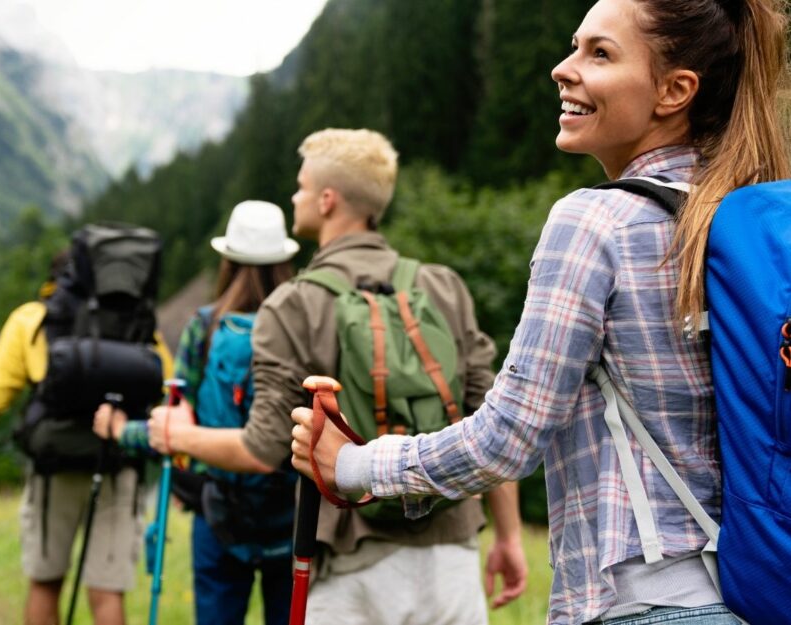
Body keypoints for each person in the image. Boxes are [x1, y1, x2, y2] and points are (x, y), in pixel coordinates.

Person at [290, 1, 791, 624]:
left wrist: (353, 464)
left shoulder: (595, 221)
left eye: (599, 54)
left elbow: (508, 438)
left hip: (643, 605)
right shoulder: (744, 226)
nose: (563, 68)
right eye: (574, 46)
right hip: (745, 598)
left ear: (674, 91)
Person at [148, 128, 528, 625]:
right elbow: (491, 424)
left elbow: (262, 449)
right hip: (450, 554)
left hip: (350, 564)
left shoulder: (292, 304)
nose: (295, 197)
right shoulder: (443, 286)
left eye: (301, 187)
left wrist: (177, 434)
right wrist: (508, 536)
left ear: (327, 200)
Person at [93, 200, 300, 625]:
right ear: (284, 261)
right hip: (291, 516)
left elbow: (170, 428)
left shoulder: (205, 327)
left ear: (226, 259)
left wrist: (118, 430)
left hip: (219, 515)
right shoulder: (302, 327)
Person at [0, 247, 173, 625]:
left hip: (52, 468)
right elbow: (168, 390)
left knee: (45, 583)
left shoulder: (33, 320)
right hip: (118, 463)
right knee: (106, 593)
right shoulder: (137, 322)